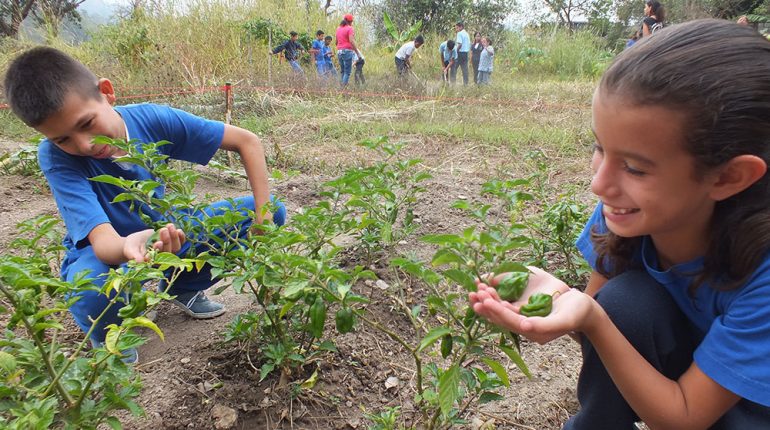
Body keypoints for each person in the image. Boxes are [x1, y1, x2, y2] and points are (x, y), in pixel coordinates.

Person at [470, 19, 770, 429]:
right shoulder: (628, 211)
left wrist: (592, 318)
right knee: (626, 302)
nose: (599, 184)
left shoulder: (763, 274)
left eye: (634, 167)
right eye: (599, 147)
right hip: (680, 380)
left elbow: (684, 417)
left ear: (727, 177)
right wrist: (570, 308)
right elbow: (608, 331)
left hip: (744, 407)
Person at [3, 47, 287, 363]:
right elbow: (103, 243)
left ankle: (183, 285)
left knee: (270, 210)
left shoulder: (151, 119)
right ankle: (111, 338)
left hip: (166, 231)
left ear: (107, 93)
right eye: (62, 139)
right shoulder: (55, 158)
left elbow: (247, 141)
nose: (84, 145)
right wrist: (131, 245)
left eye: (86, 123)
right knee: (89, 287)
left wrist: (262, 219)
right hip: (110, 248)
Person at [336, 14, 363, 87]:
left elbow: (336, 42)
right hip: (347, 51)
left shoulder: (338, 28)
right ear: (350, 21)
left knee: (342, 71)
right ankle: (343, 89)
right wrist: (357, 53)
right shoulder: (350, 28)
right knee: (347, 72)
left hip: (339, 52)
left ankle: (341, 87)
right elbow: (351, 41)